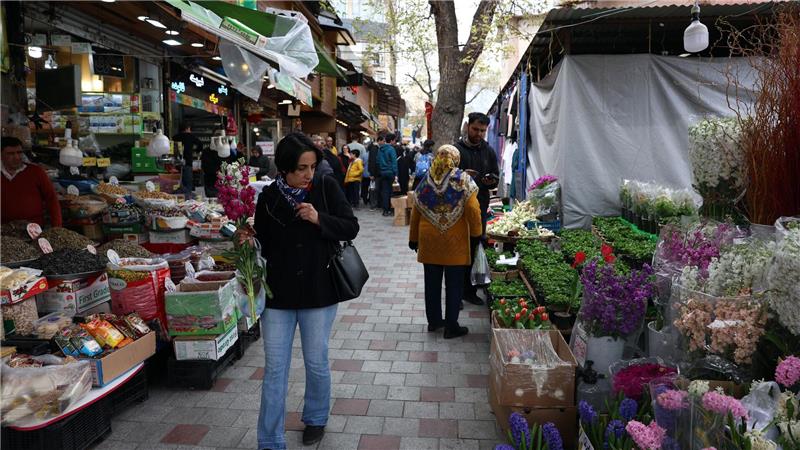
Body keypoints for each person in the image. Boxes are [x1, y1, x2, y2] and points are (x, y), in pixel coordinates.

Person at [251, 132, 359, 450]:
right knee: (274, 369)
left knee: (316, 362)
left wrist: (318, 218)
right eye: (300, 168)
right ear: (284, 168)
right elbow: (263, 241)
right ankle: (270, 440)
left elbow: (350, 226)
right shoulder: (268, 197)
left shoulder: (325, 187)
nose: (308, 174)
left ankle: (315, 418)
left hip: (318, 292)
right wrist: (250, 241)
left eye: (312, 166)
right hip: (278, 296)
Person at [409, 145, 481, 339]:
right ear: (455, 159)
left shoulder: (426, 180)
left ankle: (434, 322)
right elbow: (473, 209)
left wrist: (413, 238)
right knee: (454, 285)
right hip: (455, 243)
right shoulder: (464, 180)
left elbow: (416, 211)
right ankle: (451, 326)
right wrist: (477, 233)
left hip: (429, 241)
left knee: (431, 284)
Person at [455, 112, 500, 306]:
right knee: (458, 248)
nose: (479, 134)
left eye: (482, 131)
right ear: (467, 126)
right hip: (457, 209)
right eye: (475, 129)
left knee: (475, 245)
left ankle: (470, 290)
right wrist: (462, 176)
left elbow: (494, 178)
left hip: (480, 207)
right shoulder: (456, 150)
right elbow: (447, 178)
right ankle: (455, 291)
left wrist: (490, 181)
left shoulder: (489, 151)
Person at [1, 136, 62, 227]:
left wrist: (57, 227)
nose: (16, 157)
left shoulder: (36, 172)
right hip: (3, 230)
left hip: (33, 229)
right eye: (11, 154)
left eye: (19, 152)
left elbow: (51, 199)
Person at [172, 122, 202, 198]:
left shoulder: (175, 137)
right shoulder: (191, 136)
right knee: (188, 183)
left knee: (177, 183)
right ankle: (187, 200)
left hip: (176, 164)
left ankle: (177, 199)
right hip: (188, 162)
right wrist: (197, 151)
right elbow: (200, 144)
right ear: (187, 128)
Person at [377, 132, 398, 216]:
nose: (395, 142)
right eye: (394, 141)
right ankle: (391, 209)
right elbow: (394, 162)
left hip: (383, 172)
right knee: (392, 191)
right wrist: (396, 173)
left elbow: (377, 161)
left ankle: (385, 210)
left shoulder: (380, 149)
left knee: (385, 191)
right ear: (392, 141)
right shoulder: (391, 149)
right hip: (390, 172)